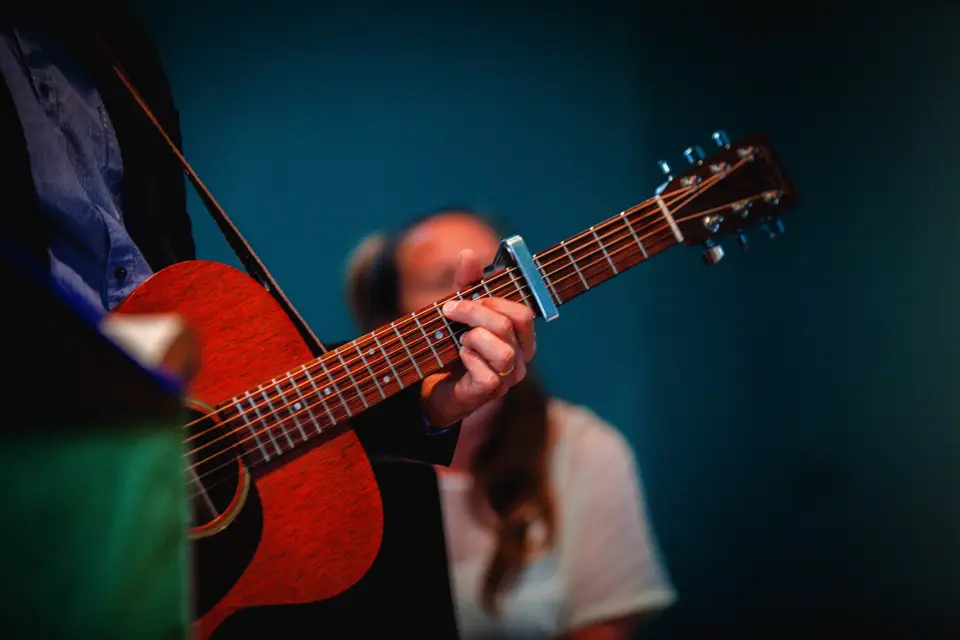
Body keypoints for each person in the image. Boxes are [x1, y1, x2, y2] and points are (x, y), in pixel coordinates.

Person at [0, 1, 536, 636]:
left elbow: (191, 360)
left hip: (168, 533)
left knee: (380, 526)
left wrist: (427, 398)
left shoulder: (114, 40)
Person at [345, 208, 677, 639]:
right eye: (437, 281)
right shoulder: (343, 454)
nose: (470, 304)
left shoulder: (585, 448)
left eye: (493, 282)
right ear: (385, 322)